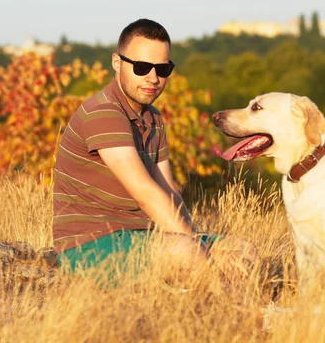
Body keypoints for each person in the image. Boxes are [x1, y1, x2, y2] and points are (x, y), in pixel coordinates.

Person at [53, 19, 257, 283]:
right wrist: (196, 252)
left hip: (143, 237)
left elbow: (168, 193)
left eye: (162, 68)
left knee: (242, 252)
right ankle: (225, 308)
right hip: (89, 246)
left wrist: (197, 243)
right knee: (185, 252)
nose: (153, 78)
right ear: (117, 63)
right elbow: (146, 194)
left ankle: (199, 299)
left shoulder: (153, 118)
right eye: (141, 67)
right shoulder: (103, 113)